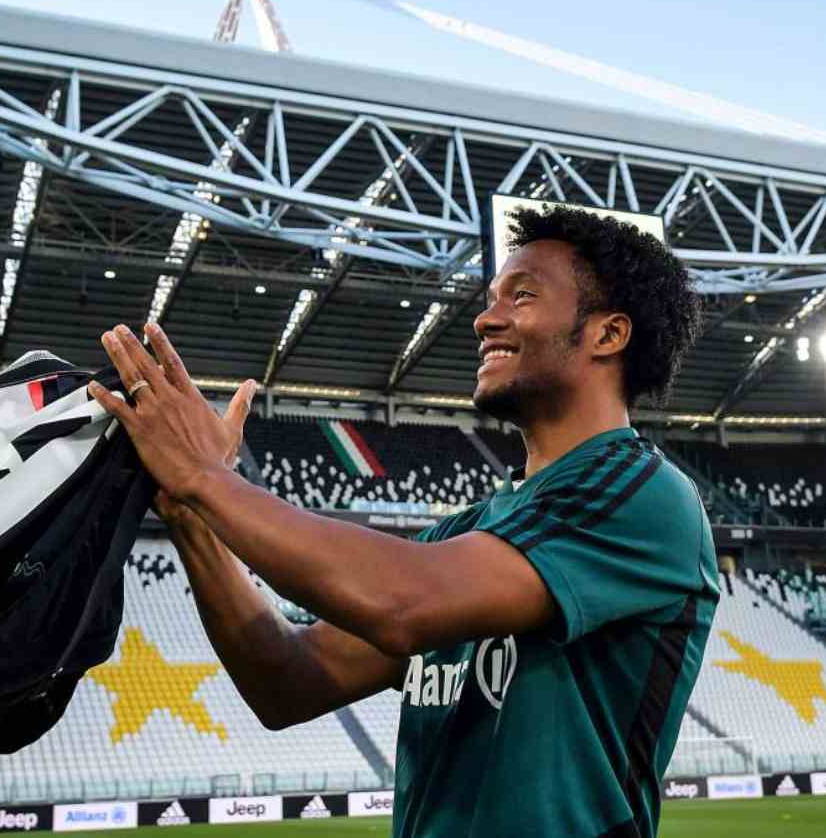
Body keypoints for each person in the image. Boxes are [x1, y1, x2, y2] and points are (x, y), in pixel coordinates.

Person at [88, 204, 718, 838]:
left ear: (608, 335)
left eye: (522, 296)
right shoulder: (464, 534)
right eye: (492, 299)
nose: (485, 319)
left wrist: (207, 478)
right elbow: (287, 681)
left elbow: (400, 601)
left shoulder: (645, 498)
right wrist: (191, 513)